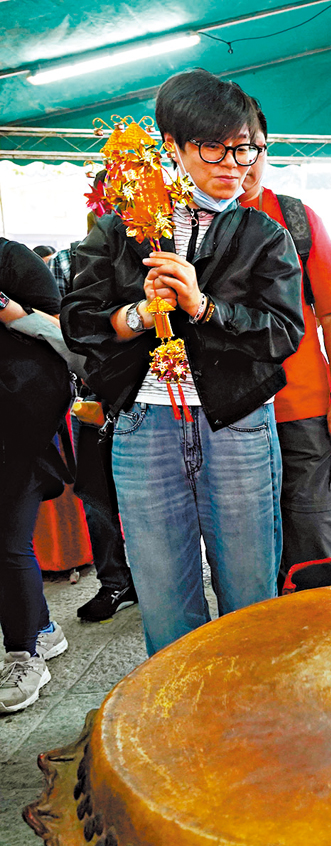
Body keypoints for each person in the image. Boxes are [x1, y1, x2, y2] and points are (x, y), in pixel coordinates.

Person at [61, 69, 305, 656]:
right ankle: (178, 730)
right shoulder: (121, 228)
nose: (233, 162)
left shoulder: (265, 235)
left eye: (244, 147)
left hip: (238, 423)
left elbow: (283, 332)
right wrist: (141, 315)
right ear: (172, 145)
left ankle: (249, 718)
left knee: (249, 590)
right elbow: (78, 321)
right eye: (214, 148)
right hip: (144, 426)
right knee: (165, 593)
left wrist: (204, 307)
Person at [239, 103, 331, 592]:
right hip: (228, 415)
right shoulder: (184, 223)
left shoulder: (295, 217)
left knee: (313, 528)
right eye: (224, 151)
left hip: (304, 407)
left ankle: (325, 637)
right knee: (245, 539)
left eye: (252, 150)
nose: (241, 164)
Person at [50, 210, 138, 623]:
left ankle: (151, 577)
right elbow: (66, 326)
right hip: (95, 392)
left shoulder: (168, 250)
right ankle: (115, 581)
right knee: (96, 493)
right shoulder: (66, 261)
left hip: (153, 393)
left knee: (153, 498)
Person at [0, 238, 70, 713]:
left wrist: (8, 310)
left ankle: (25, 652)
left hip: (20, 424)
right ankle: (42, 627)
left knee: (8, 540)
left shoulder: (11, 259)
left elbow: (69, 335)